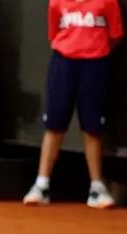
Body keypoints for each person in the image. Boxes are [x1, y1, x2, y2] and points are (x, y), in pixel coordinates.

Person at [23, 0, 123, 209]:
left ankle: (96, 188)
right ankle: (41, 186)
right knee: (54, 126)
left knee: (92, 128)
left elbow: (115, 35)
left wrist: (94, 50)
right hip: (63, 64)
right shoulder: (56, 2)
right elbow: (54, 33)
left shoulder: (108, 1)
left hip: (95, 66)